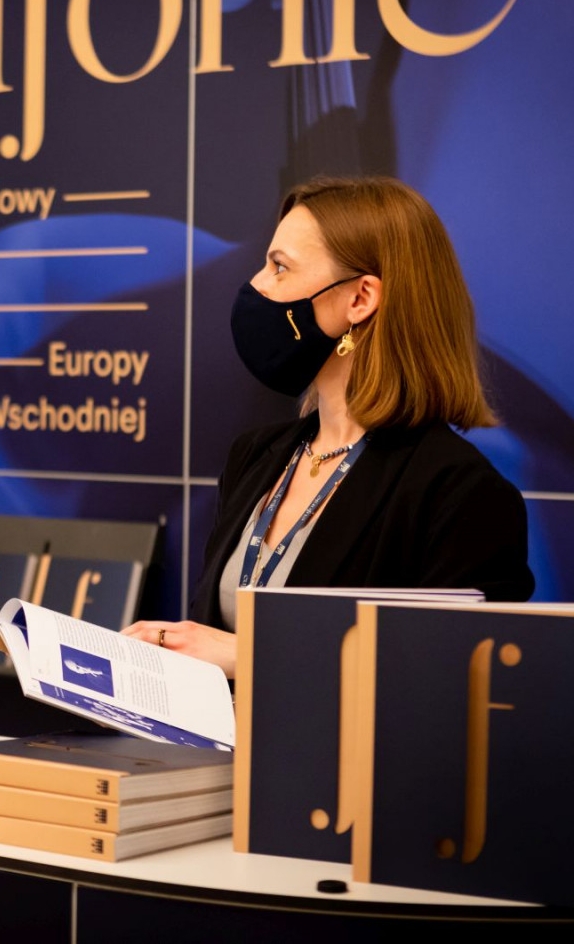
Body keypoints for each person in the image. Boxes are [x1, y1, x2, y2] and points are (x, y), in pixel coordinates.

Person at [122, 176, 534, 676]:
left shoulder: (460, 493)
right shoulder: (256, 457)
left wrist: (246, 657)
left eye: (279, 267)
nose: (256, 285)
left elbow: (441, 684)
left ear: (360, 299)